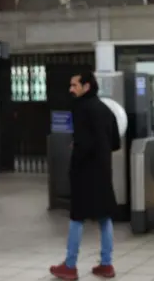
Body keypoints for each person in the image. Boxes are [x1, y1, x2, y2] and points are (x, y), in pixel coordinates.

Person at [50, 71, 121, 280]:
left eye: (74, 85)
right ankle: (106, 264)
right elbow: (115, 143)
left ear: (86, 86)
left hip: (84, 171)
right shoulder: (106, 110)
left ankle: (70, 265)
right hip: (103, 171)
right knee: (104, 216)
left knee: (77, 217)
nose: (71, 89)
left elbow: (83, 142)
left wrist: (77, 153)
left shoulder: (81, 108)